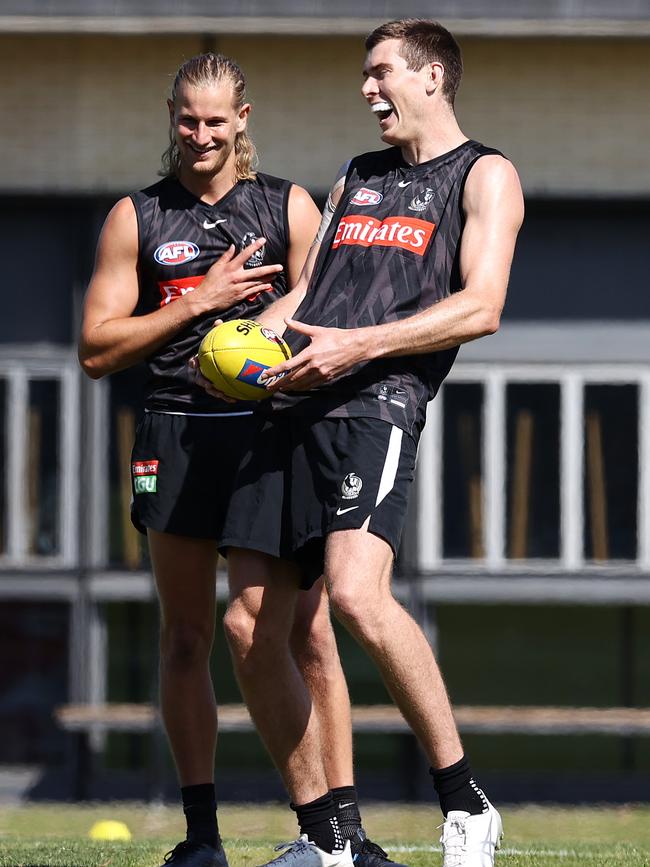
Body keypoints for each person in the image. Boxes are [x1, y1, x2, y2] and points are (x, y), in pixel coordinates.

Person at [78, 53, 400, 867]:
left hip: (272, 440)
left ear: (242, 120)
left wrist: (270, 346)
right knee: (185, 637)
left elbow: (332, 311)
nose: (201, 135)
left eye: (216, 121)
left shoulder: (287, 206)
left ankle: (342, 833)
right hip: (176, 435)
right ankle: (201, 836)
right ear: (171, 116)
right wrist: (200, 302)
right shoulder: (137, 216)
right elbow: (94, 348)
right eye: (187, 119)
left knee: (306, 632)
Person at [215, 19, 524, 867]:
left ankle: (466, 801)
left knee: (356, 595)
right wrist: (243, 345)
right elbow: (312, 292)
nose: (367, 89)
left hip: (376, 404)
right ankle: (329, 840)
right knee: (248, 627)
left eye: (380, 72)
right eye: (365, 75)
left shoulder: (485, 174)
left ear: (431, 77)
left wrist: (360, 346)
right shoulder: (358, 174)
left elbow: (482, 303)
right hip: (290, 409)